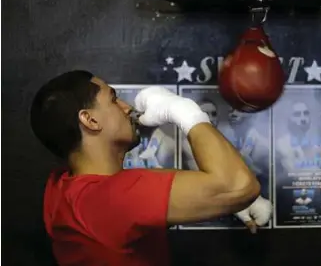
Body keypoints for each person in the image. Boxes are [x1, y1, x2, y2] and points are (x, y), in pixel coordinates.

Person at [30, 70, 262, 266]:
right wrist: (185, 111)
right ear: (90, 120)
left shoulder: (65, 189)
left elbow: (151, 186)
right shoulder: (108, 199)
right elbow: (239, 186)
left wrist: (219, 198)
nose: (127, 107)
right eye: (113, 99)